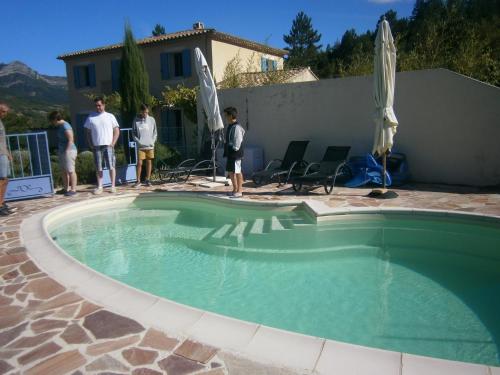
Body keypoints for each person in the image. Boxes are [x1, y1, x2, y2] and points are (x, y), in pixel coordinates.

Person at [84, 97, 120, 194]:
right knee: (98, 167)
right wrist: (90, 143)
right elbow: (87, 132)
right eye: (96, 105)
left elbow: (116, 130)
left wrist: (113, 143)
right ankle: (100, 186)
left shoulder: (110, 116)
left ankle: (113, 186)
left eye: (100, 105)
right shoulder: (91, 117)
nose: (98, 107)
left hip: (108, 145)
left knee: (111, 166)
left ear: (104, 105)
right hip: (96, 146)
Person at [49, 111, 78, 196]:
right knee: (63, 170)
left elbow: (71, 139)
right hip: (62, 151)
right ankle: (65, 188)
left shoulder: (66, 126)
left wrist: (67, 151)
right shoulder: (60, 126)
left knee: (70, 170)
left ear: (55, 119)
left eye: (52, 121)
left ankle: (73, 189)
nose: (52, 123)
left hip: (69, 151)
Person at [132, 103, 157, 187]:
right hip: (140, 146)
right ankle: (138, 180)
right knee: (139, 163)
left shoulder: (152, 120)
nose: (145, 114)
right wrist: (138, 142)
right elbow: (133, 133)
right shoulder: (136, 120)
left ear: (148, 111)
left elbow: (155, 133)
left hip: (150, 145)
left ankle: (148, 179)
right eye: (144, 112)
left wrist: (152, 141)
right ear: (141, 111)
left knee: (149, 162)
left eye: (146, 112)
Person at [223, 107, 245, 198]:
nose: (225, 117)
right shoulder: (230, 126)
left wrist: (233, 149)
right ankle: (235, 189)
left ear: (231, 116)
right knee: (231, 172)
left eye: (226, 116)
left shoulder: (237, 127)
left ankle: (240, 190)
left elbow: (237, 142)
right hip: (230, 153)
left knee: (237, 171)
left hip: (235, 154)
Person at [0, 103, 14, 215]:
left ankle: (2, 202)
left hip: (3, 153)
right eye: (4, 111)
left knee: (5, 179)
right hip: (0, 155)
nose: (6, 114)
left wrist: (8, 152)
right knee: (2, 180)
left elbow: (2, 140)